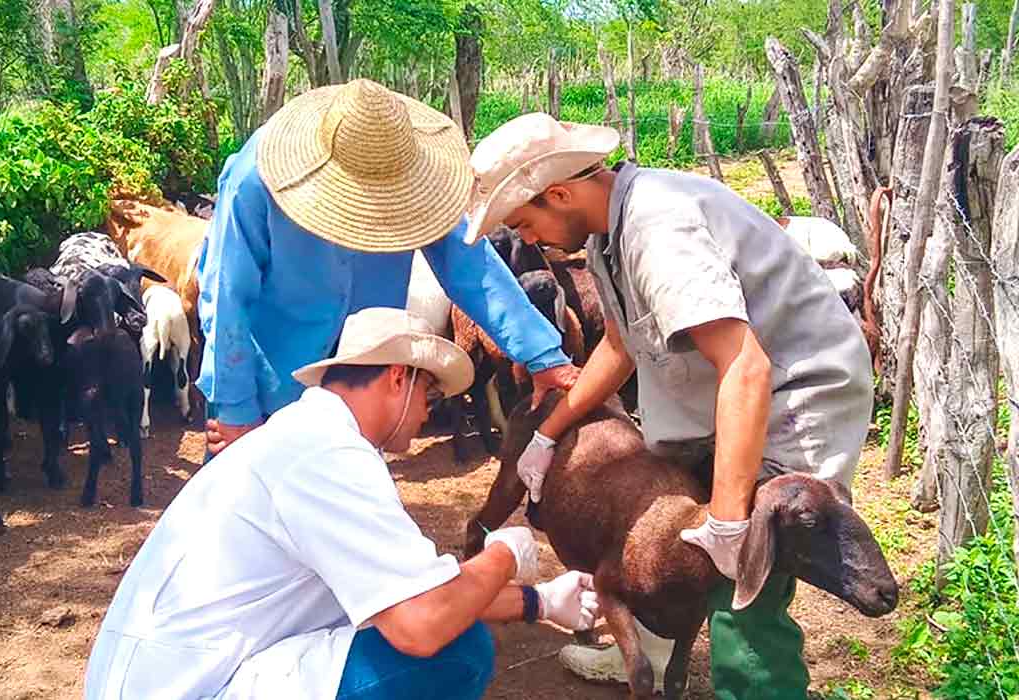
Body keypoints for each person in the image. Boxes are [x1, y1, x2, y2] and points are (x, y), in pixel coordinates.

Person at [463, 113, 874, 699]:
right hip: (728, 392)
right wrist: (548, 433)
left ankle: (756, 687)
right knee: (681, 538)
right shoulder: (608, 235)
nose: (526, 240)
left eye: (525, 222)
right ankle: (650, 661)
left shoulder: (658, 230)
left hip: (790, 395)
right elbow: (618, 344)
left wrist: (730, 523)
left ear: (559, 194)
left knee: (744, 579)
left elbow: (746, 366)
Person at [84, 307, 600, 700]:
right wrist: (507, 553)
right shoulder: (328, 455)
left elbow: (413, 591)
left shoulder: (309, 436)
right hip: (191, 686)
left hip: (167, 676)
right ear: (399, 378)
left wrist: (541, 602)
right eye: (430, 396)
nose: (426, 414)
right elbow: (423, 622)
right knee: (456, 654)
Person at [195, 79, 578, 455]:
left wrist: (543, 355)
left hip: (364, 391)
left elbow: (472, 265)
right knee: (254, 508)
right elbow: (226, 295)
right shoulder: (256, 177)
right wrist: (236, 411)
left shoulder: (419, 176)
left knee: (349, 502)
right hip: (268, 391)